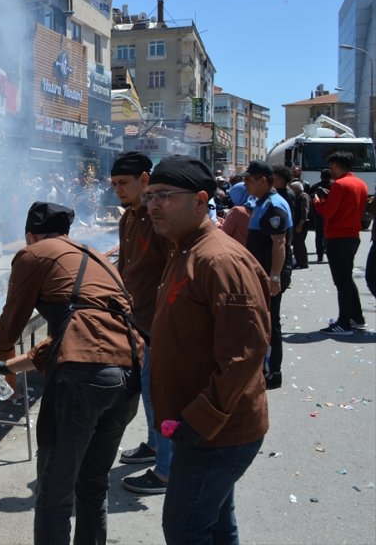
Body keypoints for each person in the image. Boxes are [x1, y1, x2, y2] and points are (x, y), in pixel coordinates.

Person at [0, 202, 142, 545]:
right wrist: (10, 367)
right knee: (92, 485)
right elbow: (78, 333)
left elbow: (7, 330)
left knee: (55, 493)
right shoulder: (94, 256)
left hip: (83, 380)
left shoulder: (34, 254)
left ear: (30, 235)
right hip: (130, 374)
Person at [144, 155, 270, 545]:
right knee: (215, 525)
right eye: (150, 196)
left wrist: (202, 417)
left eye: (164, 196)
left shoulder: (219, 259)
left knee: (185, 529)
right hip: (196, 428)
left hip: (216, 431)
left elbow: (245, 351)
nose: (152, 205)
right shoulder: (184, 249)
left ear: (201, 200)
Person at [109, 152, 173, 495]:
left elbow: (172, 268)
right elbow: (125, 264)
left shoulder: (158, 216)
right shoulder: (127, 218)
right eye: (114, 184)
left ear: (144, 179)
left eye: (124, 183)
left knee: (158, 393)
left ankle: (166, 470)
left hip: (159, 320)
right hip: (136, 319)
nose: (118, 190)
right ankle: (153, 445)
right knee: (148, 391)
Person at [242, 161, 292, 389]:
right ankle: (263, 367)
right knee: (262, 322)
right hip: (260, 273)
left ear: (263, 180)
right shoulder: (261, 202)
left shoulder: (273, 206)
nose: (246, 185)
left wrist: (274, 277)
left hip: (268, 275)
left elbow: (279, 243)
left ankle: (272, 372)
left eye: (249, 180)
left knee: (270, 323)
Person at [312, 151, 369, 335]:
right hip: (353, 236)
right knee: (347, 279)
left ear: (336, 166)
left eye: (331, 167)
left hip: (338, 237)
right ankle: (356, 318)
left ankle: (344, 322)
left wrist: (317, 201)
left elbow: (328, 211)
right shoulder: (360, 183)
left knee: (341, 282)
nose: (330, 170)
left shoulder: (340, 184)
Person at [309, 168, 332, 262]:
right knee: (329, 235)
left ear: (321, 176)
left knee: (319, 235)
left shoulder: (315, 186)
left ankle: (320, 255)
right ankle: (328, 253)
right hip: (331, 215)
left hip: (318, 214)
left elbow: (310, 199)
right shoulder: (334, 186)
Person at [289, 181, 311, 269]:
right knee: (296, 243)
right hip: (296, 223)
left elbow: (305, 212)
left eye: (292, 188)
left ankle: (303, 263)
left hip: (301, 224)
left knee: (299, 243)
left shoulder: (304, 196)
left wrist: (300, 225)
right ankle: (299, 262)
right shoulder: (297, 197)